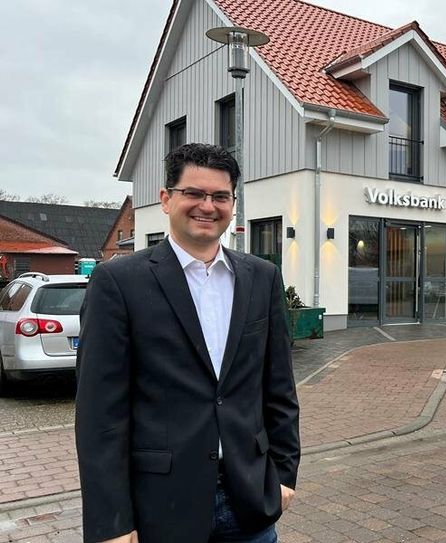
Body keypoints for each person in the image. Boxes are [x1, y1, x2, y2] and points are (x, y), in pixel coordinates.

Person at [75, 143, 300, 543]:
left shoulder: (261, 277)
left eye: (220, 196)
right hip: (160, 507)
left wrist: (283, 475)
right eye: (193, 193)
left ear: (233, 202)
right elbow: (100, 414)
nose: (207, 206)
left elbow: (278, 386)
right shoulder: (119, 283)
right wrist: (111, 520)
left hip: (249, 501)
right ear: (166, 199)